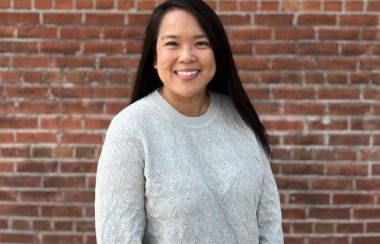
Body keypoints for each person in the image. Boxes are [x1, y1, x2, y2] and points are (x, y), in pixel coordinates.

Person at [95, 0, 283, 243]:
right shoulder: (130, 129)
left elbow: (269, 226)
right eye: (172, 44)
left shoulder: (241, 118)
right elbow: (118, 237)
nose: (186, 56)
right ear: (154, 56)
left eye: (200, 43)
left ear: (218, 52)